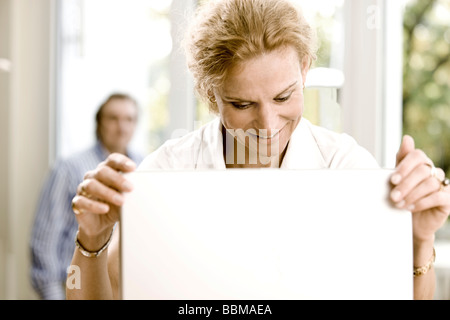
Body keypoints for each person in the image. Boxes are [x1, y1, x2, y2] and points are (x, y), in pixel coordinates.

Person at [67, 0, 450, 300]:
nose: (268, 127)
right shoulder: (167, 169)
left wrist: (419, 239)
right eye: (242, 104)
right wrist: (91, 241)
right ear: (209, 93)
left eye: (284, 96)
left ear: (304, 69)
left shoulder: (345, 166)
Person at [30, 93, 144, 300]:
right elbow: (44, 242)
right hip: (77, 286)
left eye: (129, 119)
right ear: (99, 122)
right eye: (113, 118)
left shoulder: (143, 168)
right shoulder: (68, 168)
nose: (122, 127)